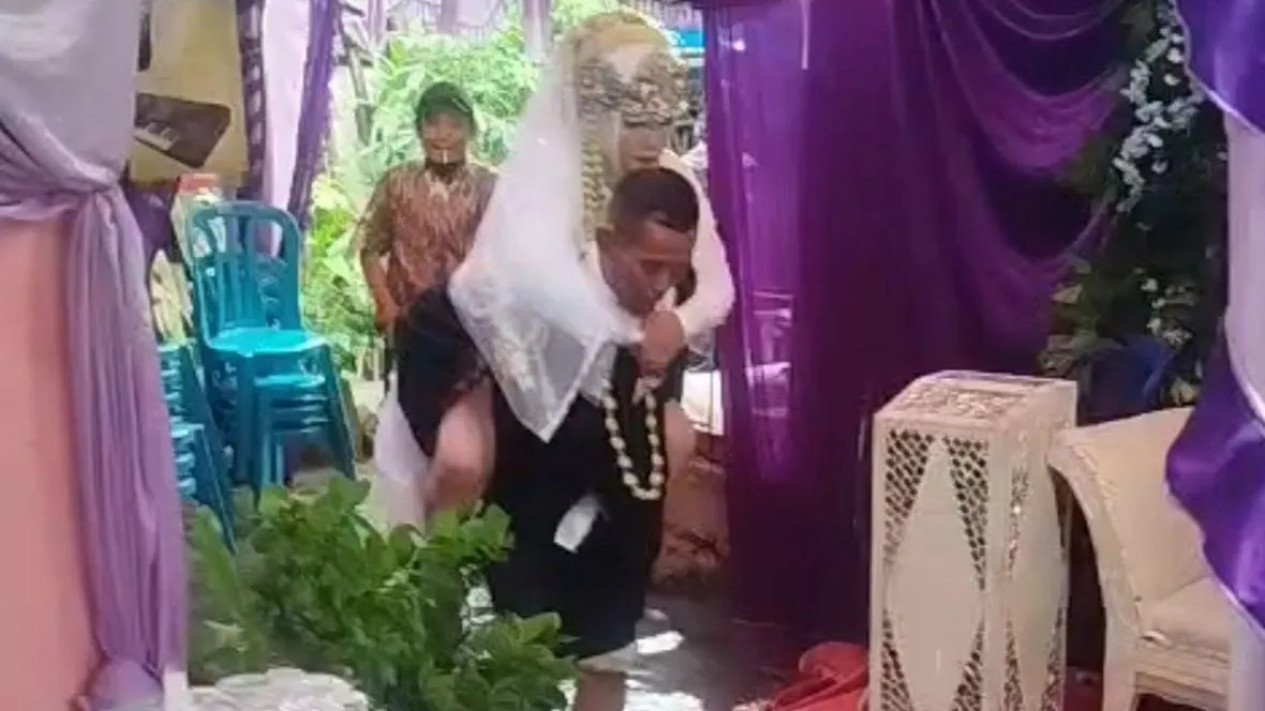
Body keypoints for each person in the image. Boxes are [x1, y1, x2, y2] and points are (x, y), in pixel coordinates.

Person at [395, 168, 702, 711]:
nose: (661, 285)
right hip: (522, 455)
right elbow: (441, 318)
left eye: (674, 269)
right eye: (649, 266)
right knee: (516, 638)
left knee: (607, 641)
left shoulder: (674, 298)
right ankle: (439, 603)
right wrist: (470, 397)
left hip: (610, 464)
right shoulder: (535, 284)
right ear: (608, 242)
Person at [423, 10, 735, 514]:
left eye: (661, 121)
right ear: (594, 112)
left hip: (620, 373)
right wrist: (639, 336)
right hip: (502, 361)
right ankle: (432, 562)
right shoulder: (543, 180)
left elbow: (718, 285)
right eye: (634, 120)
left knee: (675, 437)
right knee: (462, 460)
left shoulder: (673, 176)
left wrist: (678, 324)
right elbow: (554, 293)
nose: (652, 140)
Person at [358, 81, 497, 519]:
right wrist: (385, 305)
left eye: (454, 124)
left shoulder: (490, 187)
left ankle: (463, 507)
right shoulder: (397, 184)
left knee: (467, 421)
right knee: (411, 422)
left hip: (470, 330)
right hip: (412, 327)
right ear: (419, 130)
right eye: (433, 124)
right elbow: (370, 249)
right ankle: (415, 511)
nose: (443, 135)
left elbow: (505, 258)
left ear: (470, 130)